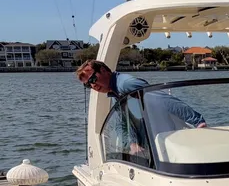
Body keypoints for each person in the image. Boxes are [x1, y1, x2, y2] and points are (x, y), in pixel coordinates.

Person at [76, 60, 207, 156]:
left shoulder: (126, 84)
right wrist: (132, 143)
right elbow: (124, 122)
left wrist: (198, 121)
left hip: (167, 138)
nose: (93, 86)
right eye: (88, 85)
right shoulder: (115, 92)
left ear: (103, 71)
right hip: (152, 144)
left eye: (93, 79)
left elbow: (163, 99)